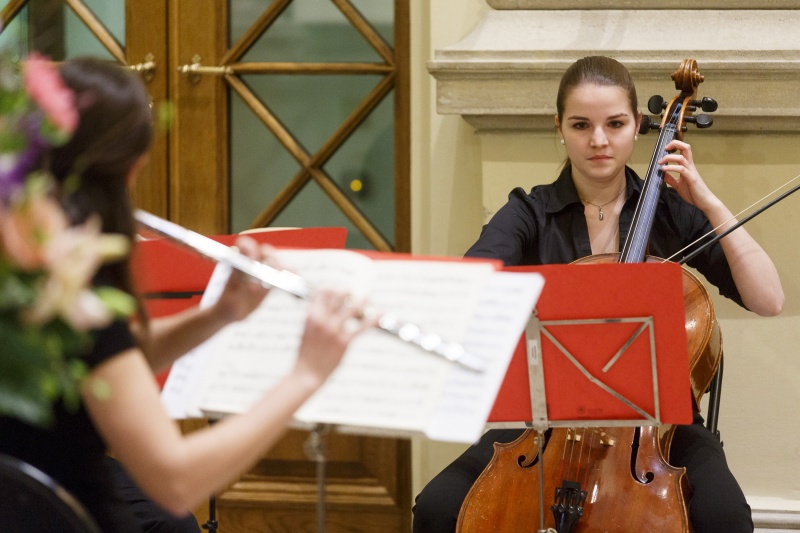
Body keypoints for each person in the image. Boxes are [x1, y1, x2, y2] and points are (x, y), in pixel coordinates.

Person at [0, 57, 374, 533]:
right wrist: (305, 376)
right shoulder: (68, 288)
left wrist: (219, 314)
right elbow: (176, 482)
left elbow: (110, 360)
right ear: (127, 169)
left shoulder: (23, 265)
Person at [412, 56, 784, 533]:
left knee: (724, 518)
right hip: (547, 424)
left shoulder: (670, 211)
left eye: (615, 123)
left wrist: (706, 200)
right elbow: (468, 287)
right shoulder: (530, 212)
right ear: (559, 128)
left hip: (659, 429)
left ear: (638, 125)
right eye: (581, 125)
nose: (599, 140)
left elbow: (768, 299)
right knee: (437, 508)